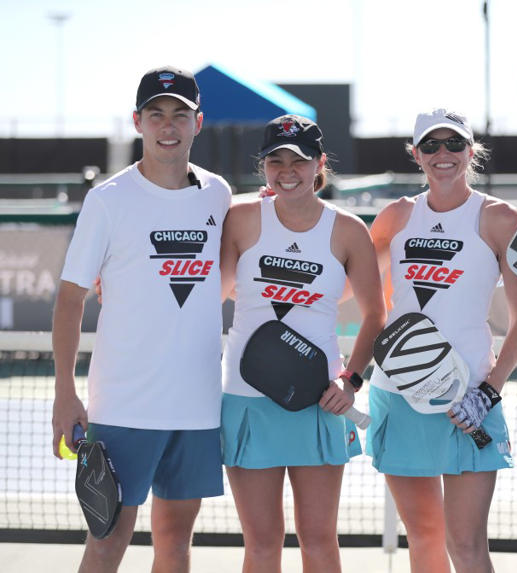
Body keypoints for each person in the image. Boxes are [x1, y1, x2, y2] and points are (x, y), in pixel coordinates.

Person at [51, 66, 231, 572]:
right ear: (138, 121)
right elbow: (69, 299)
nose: (168, 125)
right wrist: (65, 393)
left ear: (199, 122)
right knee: (108, 543)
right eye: (156, 114)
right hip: (124, 407)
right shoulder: (108, 201)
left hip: (196, 407)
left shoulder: (218, 195)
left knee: (175, 543)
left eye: (180, 114)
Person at [367, 108, 517, 573]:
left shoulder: (500, 218)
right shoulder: (396, 215)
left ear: (471, 151)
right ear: (416, 154)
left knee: (465, 547)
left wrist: (487, 393)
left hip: (469, 401)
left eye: (454, 144)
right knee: (423, 538)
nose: (443, 155)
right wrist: (278, 212)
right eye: (431, 146)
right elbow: (353, 286)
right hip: (398, 396)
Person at [219, 114, 386, 572]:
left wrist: (350, 381)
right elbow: (199, 287)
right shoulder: (238, 219)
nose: (287, 170)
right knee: (262, 543)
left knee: (317, 540)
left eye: (299, 160)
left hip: (321, 404)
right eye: (276, 160)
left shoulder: (349, 230)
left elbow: (376, 315)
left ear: (320, 164)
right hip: (246, 399)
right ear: (264, 166)